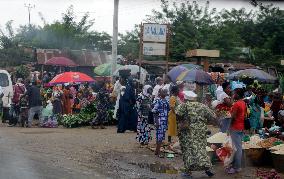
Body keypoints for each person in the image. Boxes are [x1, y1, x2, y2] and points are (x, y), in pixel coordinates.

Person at [175, 90, 215, 178]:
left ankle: (188, 172)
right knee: (201, 149)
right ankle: (207, 168)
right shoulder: (202, 106)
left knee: (188, 151)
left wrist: (183, 122)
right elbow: (212, 117)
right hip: (200, 131)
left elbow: (177, 115)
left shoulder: (183, 106)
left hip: (188, 132)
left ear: (185, 98)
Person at [227, 88, 246, 174]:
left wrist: (228, 126)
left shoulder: (237, 104)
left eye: (234, 93)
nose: (233, 94)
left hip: (235, 127)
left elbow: (233, 117)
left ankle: (237, 167)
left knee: (237, 149)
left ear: (237, 94)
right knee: (238, 147)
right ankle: (236, 165)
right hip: (241, 126)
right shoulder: (243, 103)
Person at [152, 89, 169, 158]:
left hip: (164, 120)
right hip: (160, 120)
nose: (165, 93)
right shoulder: (158, 101)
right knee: (159, 136)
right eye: (163, 91)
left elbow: (168, 110)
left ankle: (157, 151)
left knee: (161, 136)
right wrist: (156, 121)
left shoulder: (166, 101)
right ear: (159, 93)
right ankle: (158, 152)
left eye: (165, 91)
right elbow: (154, 111)